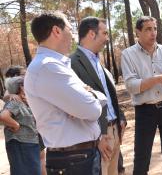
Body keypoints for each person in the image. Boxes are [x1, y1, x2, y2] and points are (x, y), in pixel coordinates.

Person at [24, 12, 107, 175]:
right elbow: (93, 110)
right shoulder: (48, 67)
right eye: (70, 29)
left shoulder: (55, 65)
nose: (73, 36)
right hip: (74, 161)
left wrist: (90, 97)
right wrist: (88, 99)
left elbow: (95, 101)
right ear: (56, 31)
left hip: (77, 158)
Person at [121, 16, 162, 175]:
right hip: (145, 110)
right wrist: (157, 79)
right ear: (138, 32)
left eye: (154, 28)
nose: (153, 33)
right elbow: (131, 86)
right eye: (148, 29)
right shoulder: (128, 54)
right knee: (142, 156)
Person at [70, 17, 127, 175]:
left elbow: (108, 95)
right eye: (104, 33)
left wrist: (120, 119)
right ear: (91, 34)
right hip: (98, 137)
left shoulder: (98, 63)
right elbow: (75, 106)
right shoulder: (72, 63)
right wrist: (97, 137)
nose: (107, 38)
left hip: (114, 131)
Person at [0, 76, 41, 175]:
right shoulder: (15, 102)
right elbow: (3, 116)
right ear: (21, 87)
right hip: (20, 144)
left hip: (29, 144)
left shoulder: (25, 100)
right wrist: (16, 125)